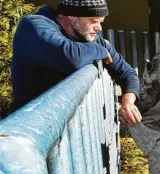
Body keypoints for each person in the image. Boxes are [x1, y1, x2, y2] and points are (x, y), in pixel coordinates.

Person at [11, 0, 142, 125]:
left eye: (100, 22)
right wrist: (100, 49)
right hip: (33, 131)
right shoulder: (33, 26)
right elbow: (71, 57)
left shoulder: (89, 37)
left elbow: (128, 73)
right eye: (94, 21)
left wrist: (128, 102)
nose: (99, 28)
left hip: (70, 134)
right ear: (71, 16)